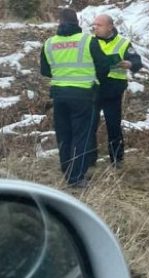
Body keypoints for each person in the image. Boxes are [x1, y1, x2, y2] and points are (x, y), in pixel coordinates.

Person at [40, 8, 111, 188]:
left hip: (59, 95)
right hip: (83, 95)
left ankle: (66, 170)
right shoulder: (88, 41)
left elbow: (45, 70)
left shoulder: (49, 43)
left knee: (64, 134)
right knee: (82, 136)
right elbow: (104, 66)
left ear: (59, 22)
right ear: (77, 22)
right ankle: (76, 177)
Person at [90, 14, 143, 169]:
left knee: (114, 126)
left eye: (99, 25)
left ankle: (117, 159)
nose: (95, 27)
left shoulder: (123, 43)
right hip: (94, 88)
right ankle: (89, 159)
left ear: (110, 27)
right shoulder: (90, 41)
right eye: (94, 24)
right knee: (90, 125)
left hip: (113, 90)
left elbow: (137, 61)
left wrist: (129, 63)